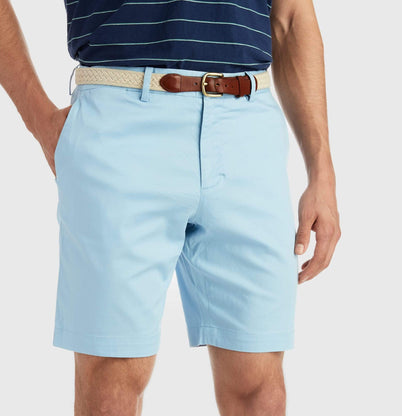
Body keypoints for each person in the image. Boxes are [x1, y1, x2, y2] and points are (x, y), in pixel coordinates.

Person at [0, 0, 341, 414]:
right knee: (111, 383)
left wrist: (321, 171)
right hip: (121, 118)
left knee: (261, 388)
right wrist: (39, 120)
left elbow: (290, 17)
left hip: (248, 126)